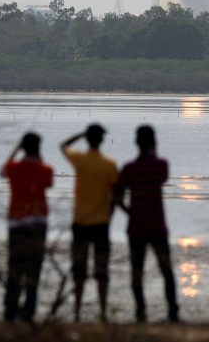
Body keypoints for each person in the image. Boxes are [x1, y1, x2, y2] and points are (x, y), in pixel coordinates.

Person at [114, 125, 179, 323]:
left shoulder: (129, 169)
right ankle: (172, 313)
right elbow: (164, 177)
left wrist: (130, 213)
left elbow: (117, 197)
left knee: (137, 272)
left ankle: (140, 312)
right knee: (166, 270)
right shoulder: (161, 165)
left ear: (136, 143)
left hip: (136, 227)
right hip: (157, 226)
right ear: (153, 142)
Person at [60, 123, 119, 322]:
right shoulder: (109, 165)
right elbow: (117, 195)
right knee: (102, 271)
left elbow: (63, 146)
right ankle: (102, 312)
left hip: (81, 223)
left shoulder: (80, 160)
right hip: (101, 224)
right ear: (102, 140)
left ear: (87, 138)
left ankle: (77, 312)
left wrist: (81, 134)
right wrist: (110, 216)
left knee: (79, 270)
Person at [0, 132, 53, 322]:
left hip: (17, 222)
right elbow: (49, 183)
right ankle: (29, 312)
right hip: (38, 223)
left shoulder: (14, 167)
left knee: (14, 267)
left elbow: (3, 171)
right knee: (34, 268)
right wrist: (39, 157)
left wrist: (16, 149)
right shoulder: (45, 169)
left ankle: (10, 310)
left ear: (24, 147)